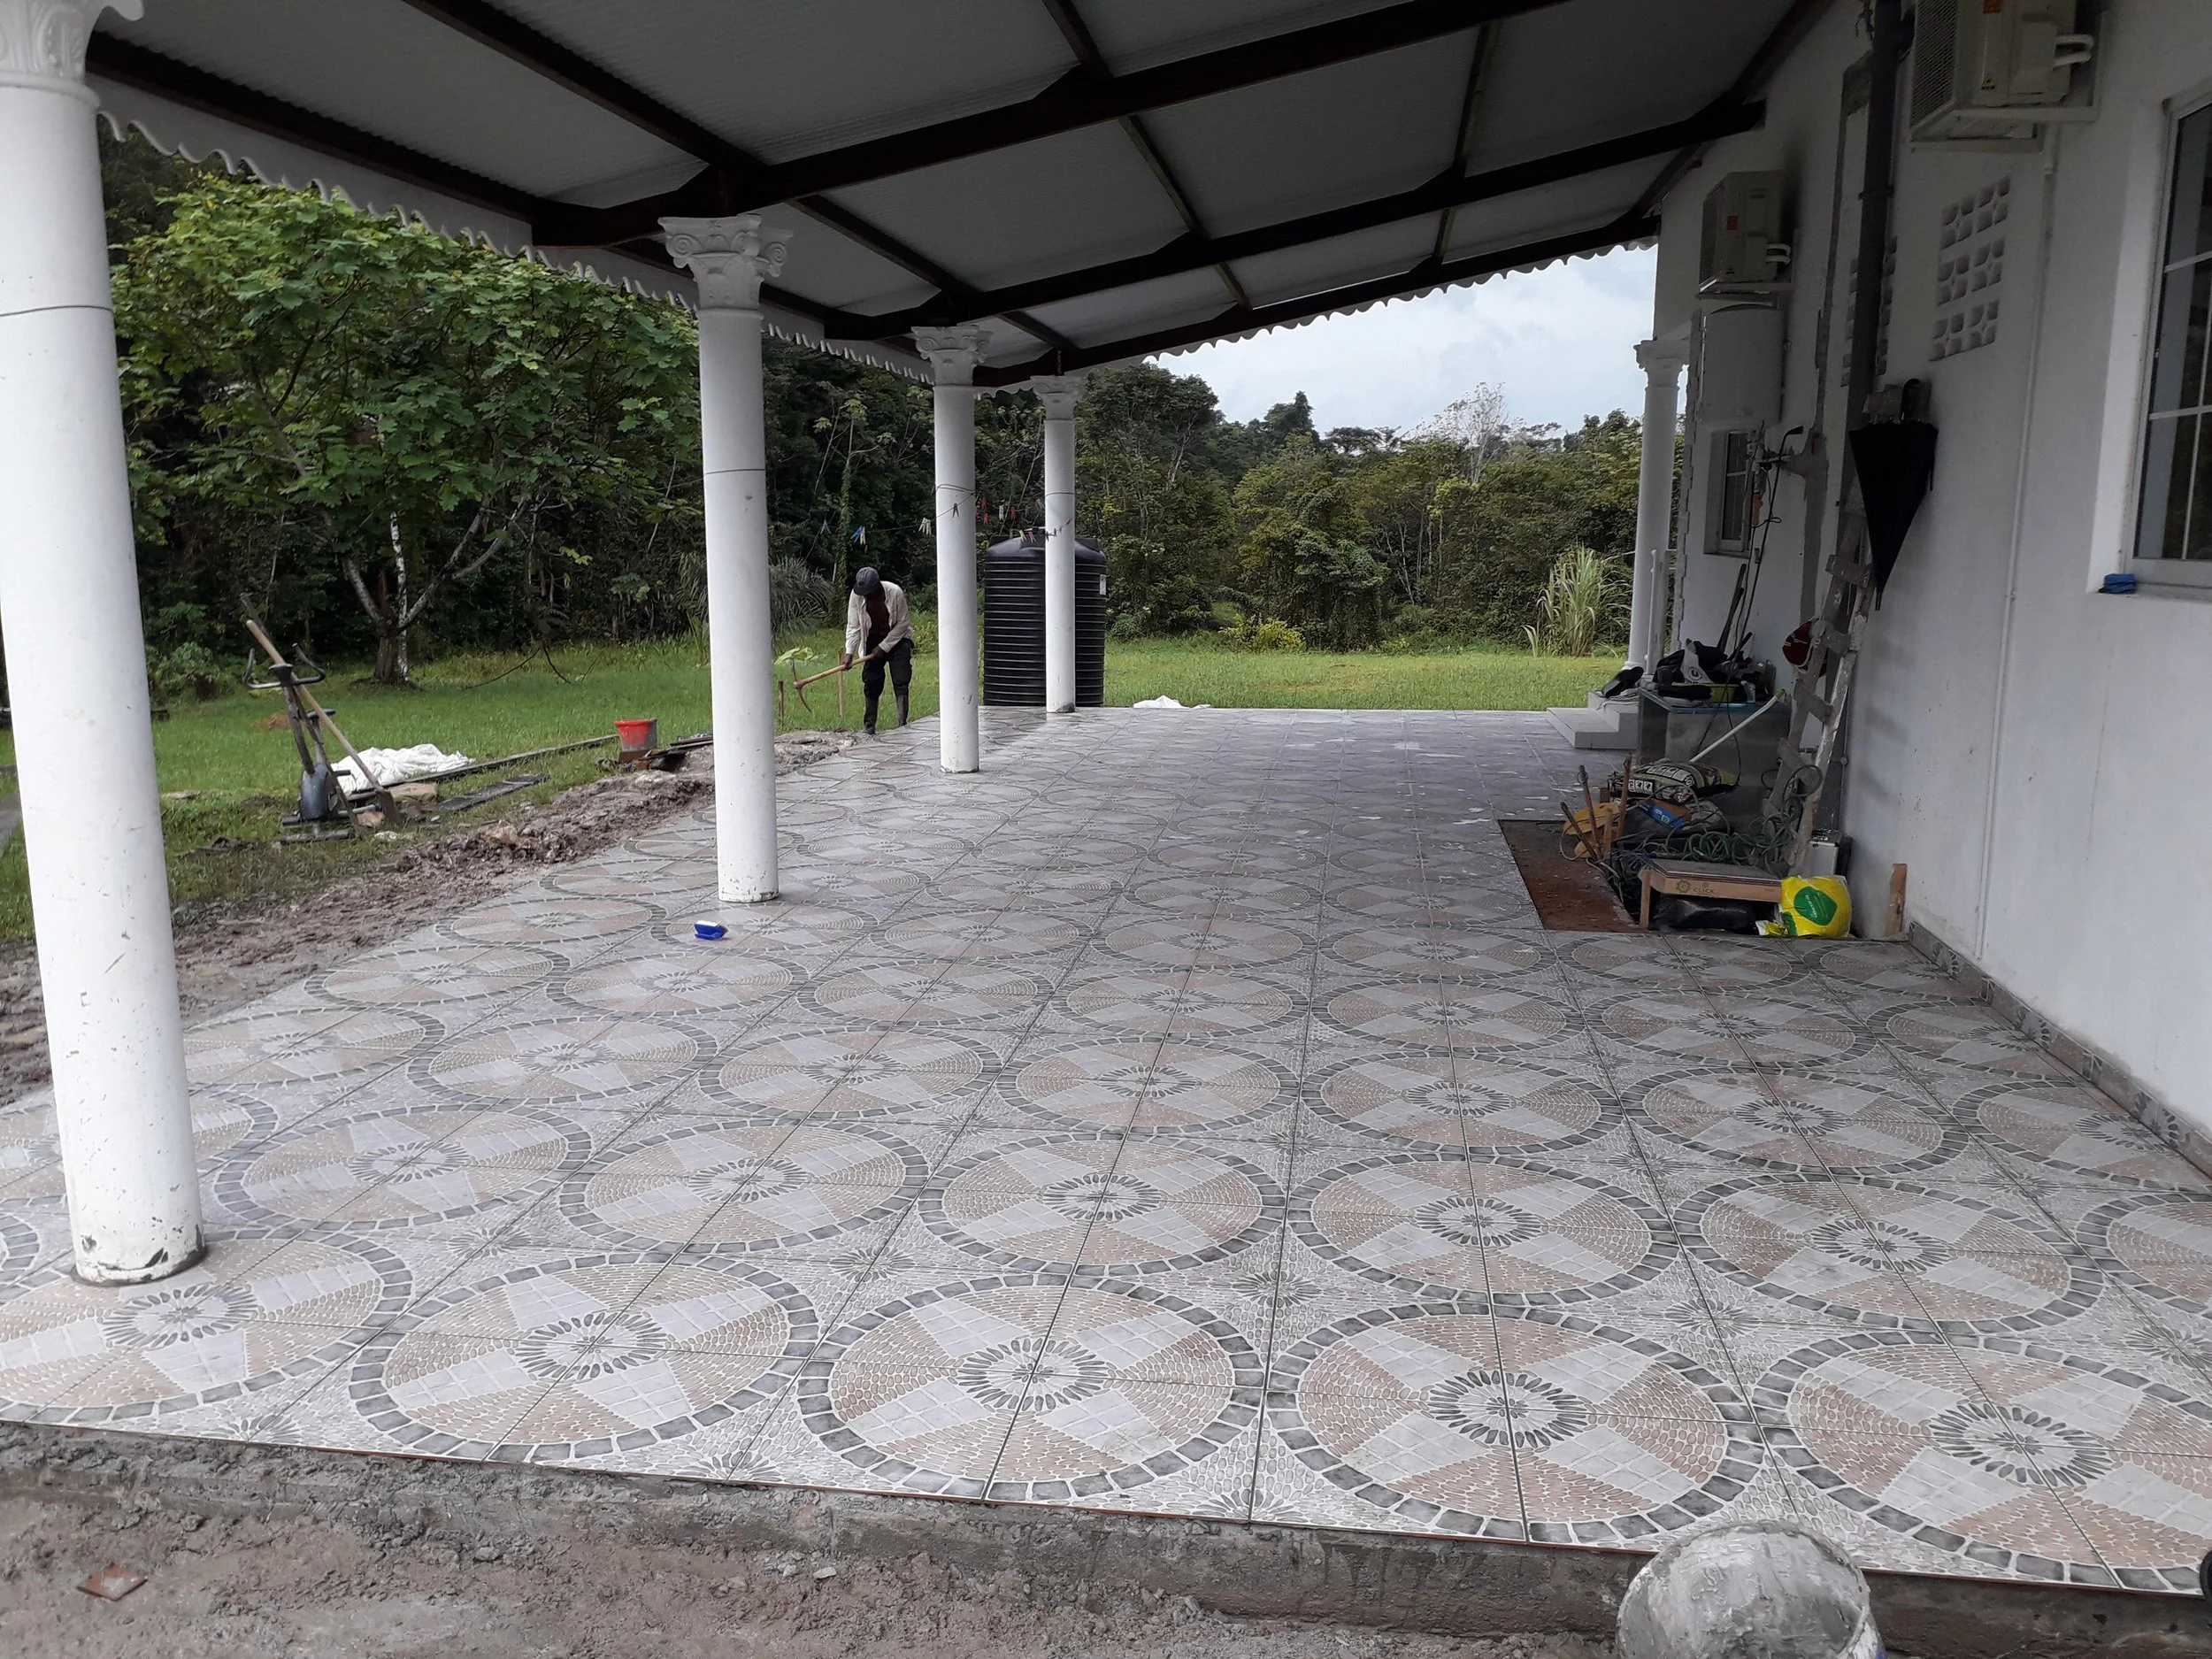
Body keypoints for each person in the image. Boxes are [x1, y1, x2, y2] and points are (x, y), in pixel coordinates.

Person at [840, 566, 911, 735]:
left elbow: (903, 623)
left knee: (901, 680)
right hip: (872, 638)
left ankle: (902, 725)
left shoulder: (895, 593)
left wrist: (884, 646)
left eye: (869, 592)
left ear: (877, 587)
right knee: (871, 681)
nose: (865, 595)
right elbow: (854, 625)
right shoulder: (856, 596)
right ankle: (869, 727)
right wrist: (850, 652)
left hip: (898, 638)